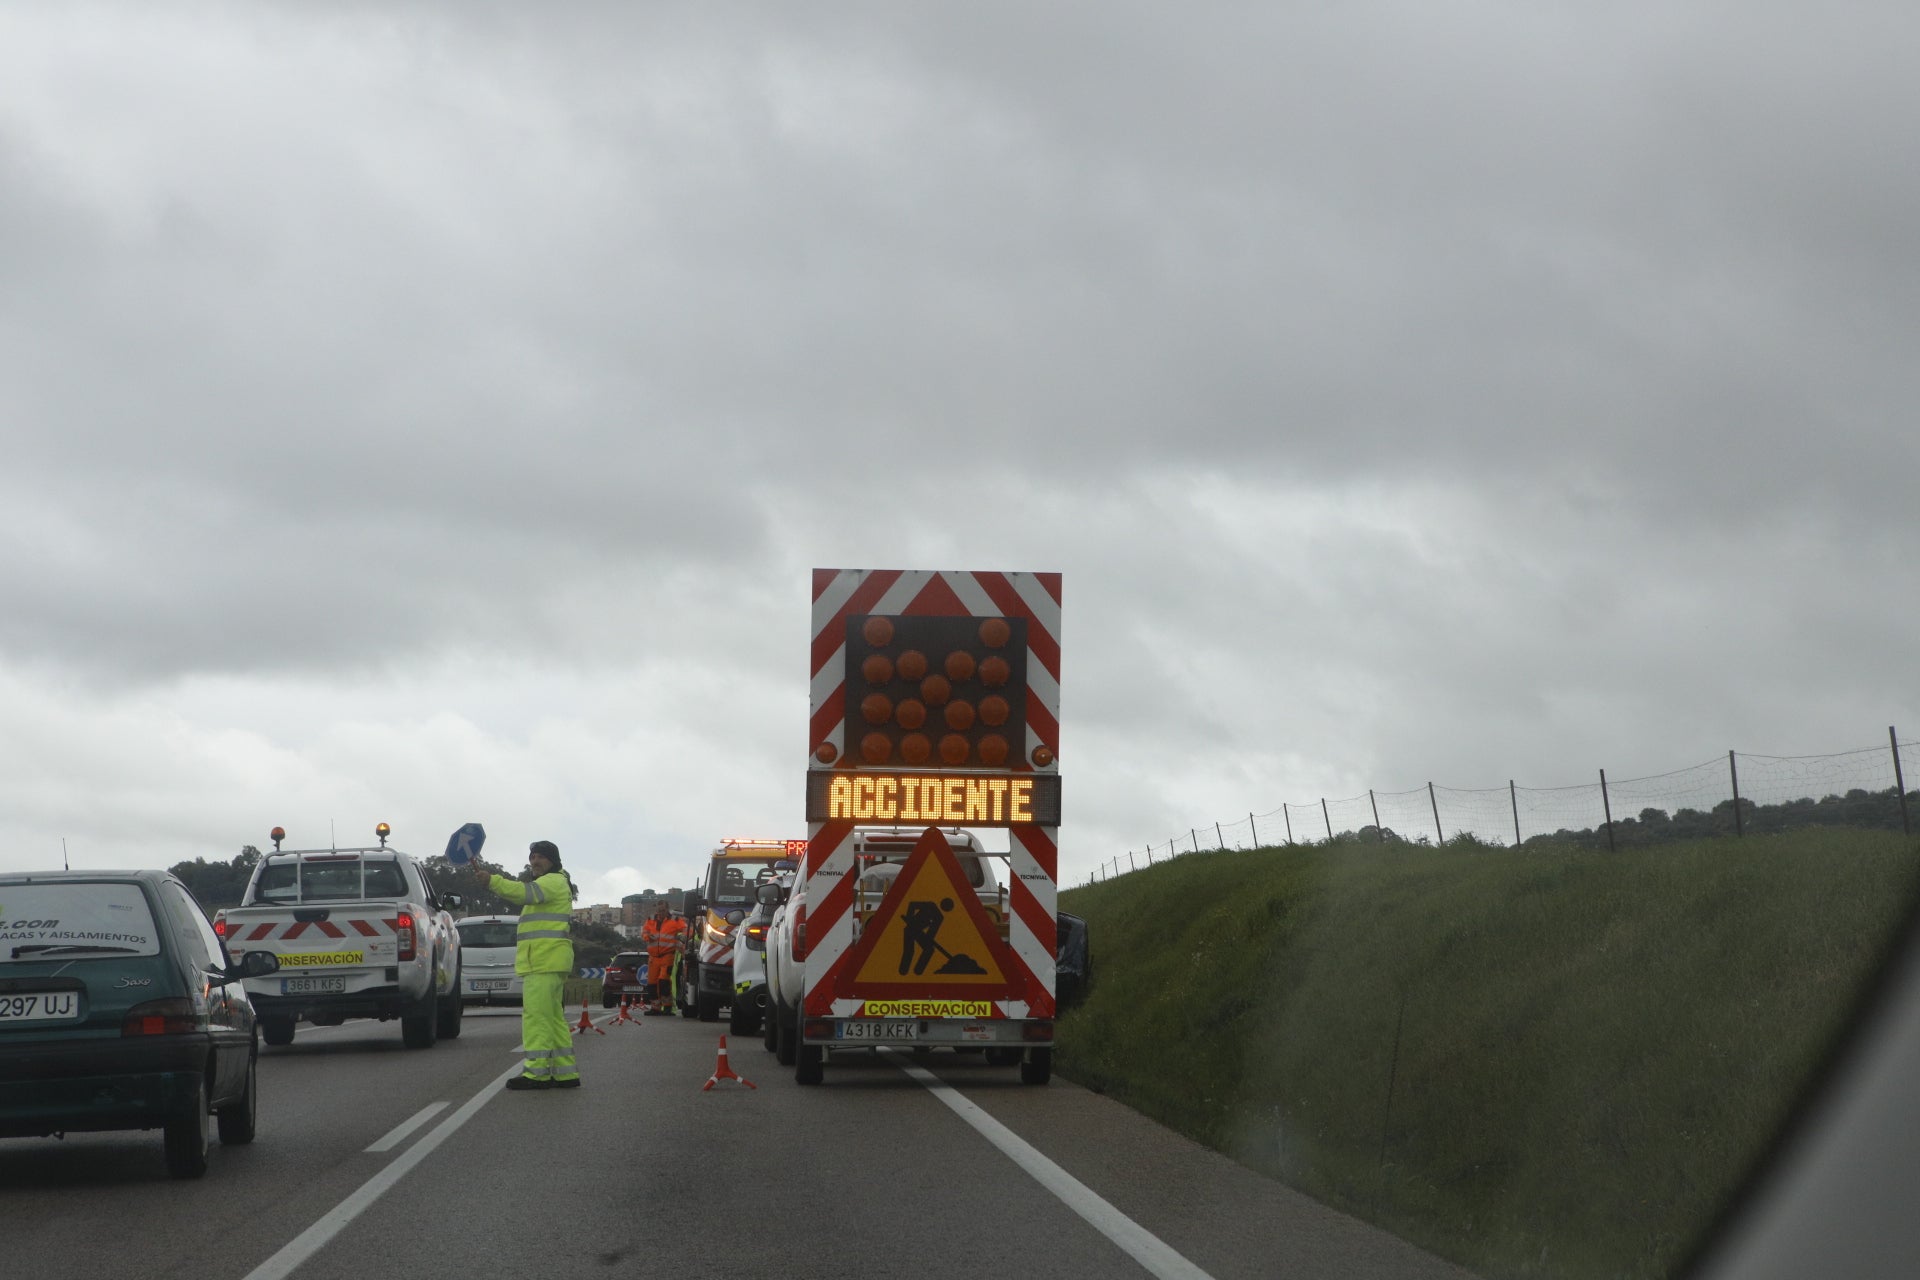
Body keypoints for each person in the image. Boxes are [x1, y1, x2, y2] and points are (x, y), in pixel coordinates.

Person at [472, 839, 579, 1089]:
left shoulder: (551, 882)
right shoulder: (557, 882)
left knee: (537, 1019)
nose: (534, 862)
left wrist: (492, 881)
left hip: (543, 961)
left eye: (540, 857)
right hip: (550, 960)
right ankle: (565, 1074)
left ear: (553, 860)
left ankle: (536, 1074)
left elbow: (523, 893)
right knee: (552, 1019)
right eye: (532, 858)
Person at [638, 899, 686, 1015]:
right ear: (656, 910)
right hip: (653, 957)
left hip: (667, 955)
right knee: (652, 984)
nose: (661, 912)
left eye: (663, 910)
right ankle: (655, 1007)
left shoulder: (675, 920)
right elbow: (644, 932)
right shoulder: (651, 920)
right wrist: (648, 937)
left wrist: (681, 938)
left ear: (667, 909)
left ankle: (667, 1007)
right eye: (659, 910)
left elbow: (686, 930)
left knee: (664, 981)